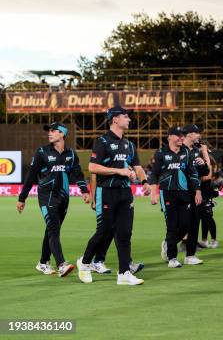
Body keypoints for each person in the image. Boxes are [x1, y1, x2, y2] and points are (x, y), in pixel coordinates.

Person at [77, 106, 151, 285]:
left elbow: (138, 167)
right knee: (104, 232)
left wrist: (144, 182)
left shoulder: (129, 144)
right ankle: (85, 263)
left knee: (125, 233)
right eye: (125, 116)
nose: (129, 119)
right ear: (115, 119)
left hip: (125, 193)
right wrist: (120, 171)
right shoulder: (102, 141)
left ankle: (124, 273)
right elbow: (93, 167)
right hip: (106, 192)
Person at [17, 122, 90, 278]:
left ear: (62, 134)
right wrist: (22, 198)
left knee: (51, 230)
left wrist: (84, 190)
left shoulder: (71, 154)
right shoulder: (42, 152)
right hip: (46, 197)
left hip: (64, 198)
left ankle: (43, 263)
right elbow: (30, 176)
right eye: (49, 131)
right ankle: (61, 264)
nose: (49, 133)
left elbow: (77, 173)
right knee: (53, 229)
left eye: (53, 131)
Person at [150, 126, 202, 268]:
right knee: (172, 226)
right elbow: (154, 174)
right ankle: (172, 258)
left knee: (186, 225)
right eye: (178, 136)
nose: (181, 138)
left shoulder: (186, 152)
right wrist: (153, 193)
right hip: (167, 193)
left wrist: (198, 191)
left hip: (184, 193)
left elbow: (192, 173)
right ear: (170, 137)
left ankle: (168, 243)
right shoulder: (161, 153)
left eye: (182, 136)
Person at [88, 173, 145, 275]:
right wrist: (93, 198)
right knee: (105, 230)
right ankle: (88, 261)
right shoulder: (103, 159)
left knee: (119, 231)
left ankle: (125, 264)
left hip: (120, 194)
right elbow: (94, 174)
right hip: (105, 193)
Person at [181, 124, 209, 265]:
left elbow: (204, 173)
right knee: (181, 224)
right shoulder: (179, 150)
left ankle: (190, 255)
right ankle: (170, 243)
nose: (199, 136)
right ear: (190, 134)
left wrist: (203, 163)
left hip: (196, 191)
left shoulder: (197, 151)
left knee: (194, 223)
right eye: (197, 133)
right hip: (180, 192)